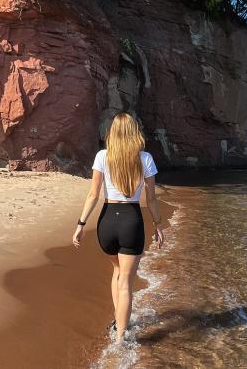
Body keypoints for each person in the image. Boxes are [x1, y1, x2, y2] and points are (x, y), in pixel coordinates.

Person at [72, 111, 165, 344]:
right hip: (130, 221)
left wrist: (81, 224)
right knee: (126, 282)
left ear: (112, 132)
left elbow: (93, 194)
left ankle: (118, 320)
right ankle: (121, 338)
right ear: (135, 133)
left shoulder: (102, 156)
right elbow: (151, 199)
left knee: (116, 272)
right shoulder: (145, 159)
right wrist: (158, 225)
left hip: (107, 221)